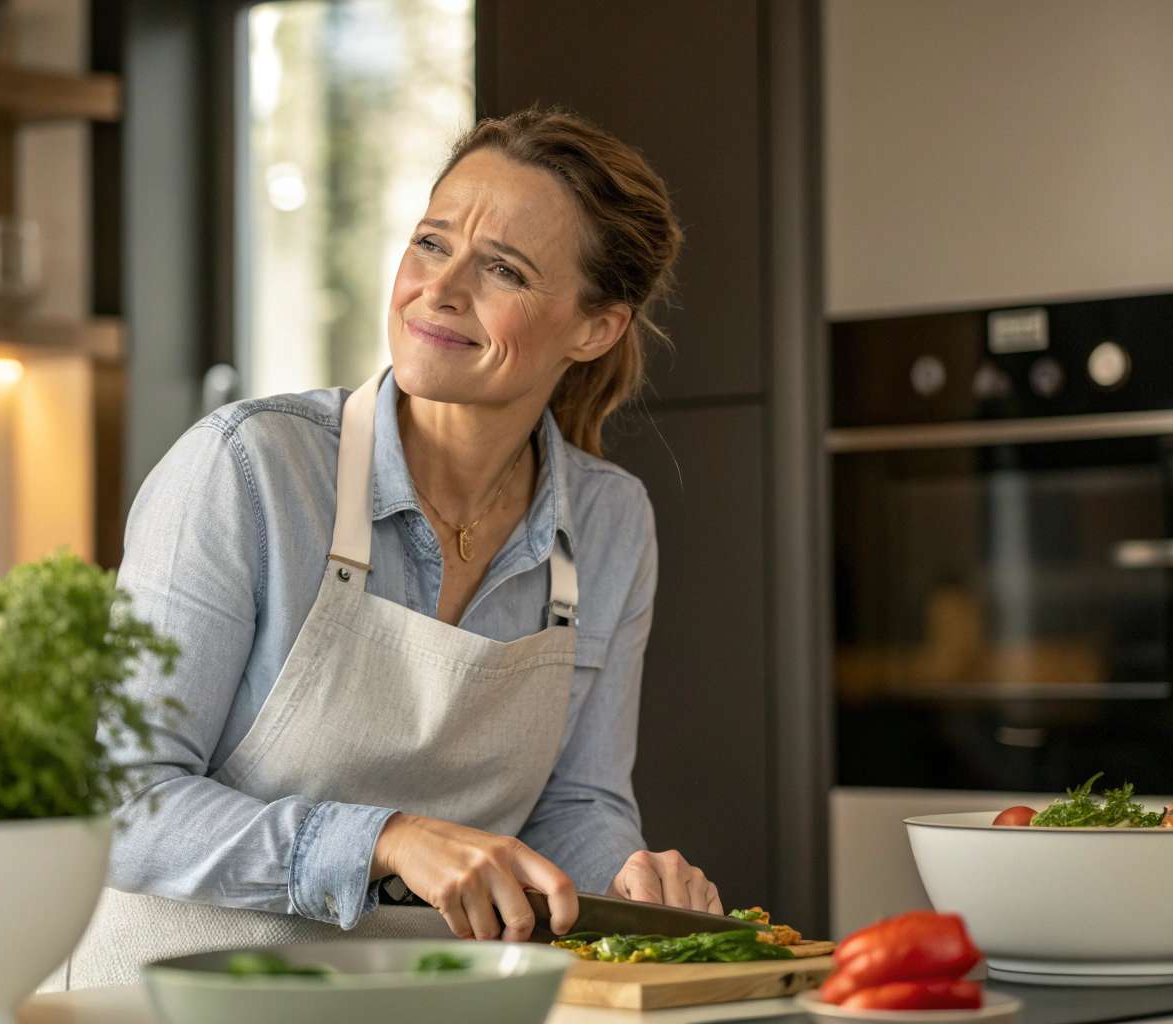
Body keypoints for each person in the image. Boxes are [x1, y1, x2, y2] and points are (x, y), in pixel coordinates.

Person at [64, 107, 721, 987]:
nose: (439, 291)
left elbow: (574, 803)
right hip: (172, 994)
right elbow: (120, 801)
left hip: (420, 997)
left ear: (594, 327)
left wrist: (629, 881)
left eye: (503, 270)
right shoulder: (248, 468)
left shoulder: (608, 521)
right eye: (431, 244)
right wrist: (384, 840)